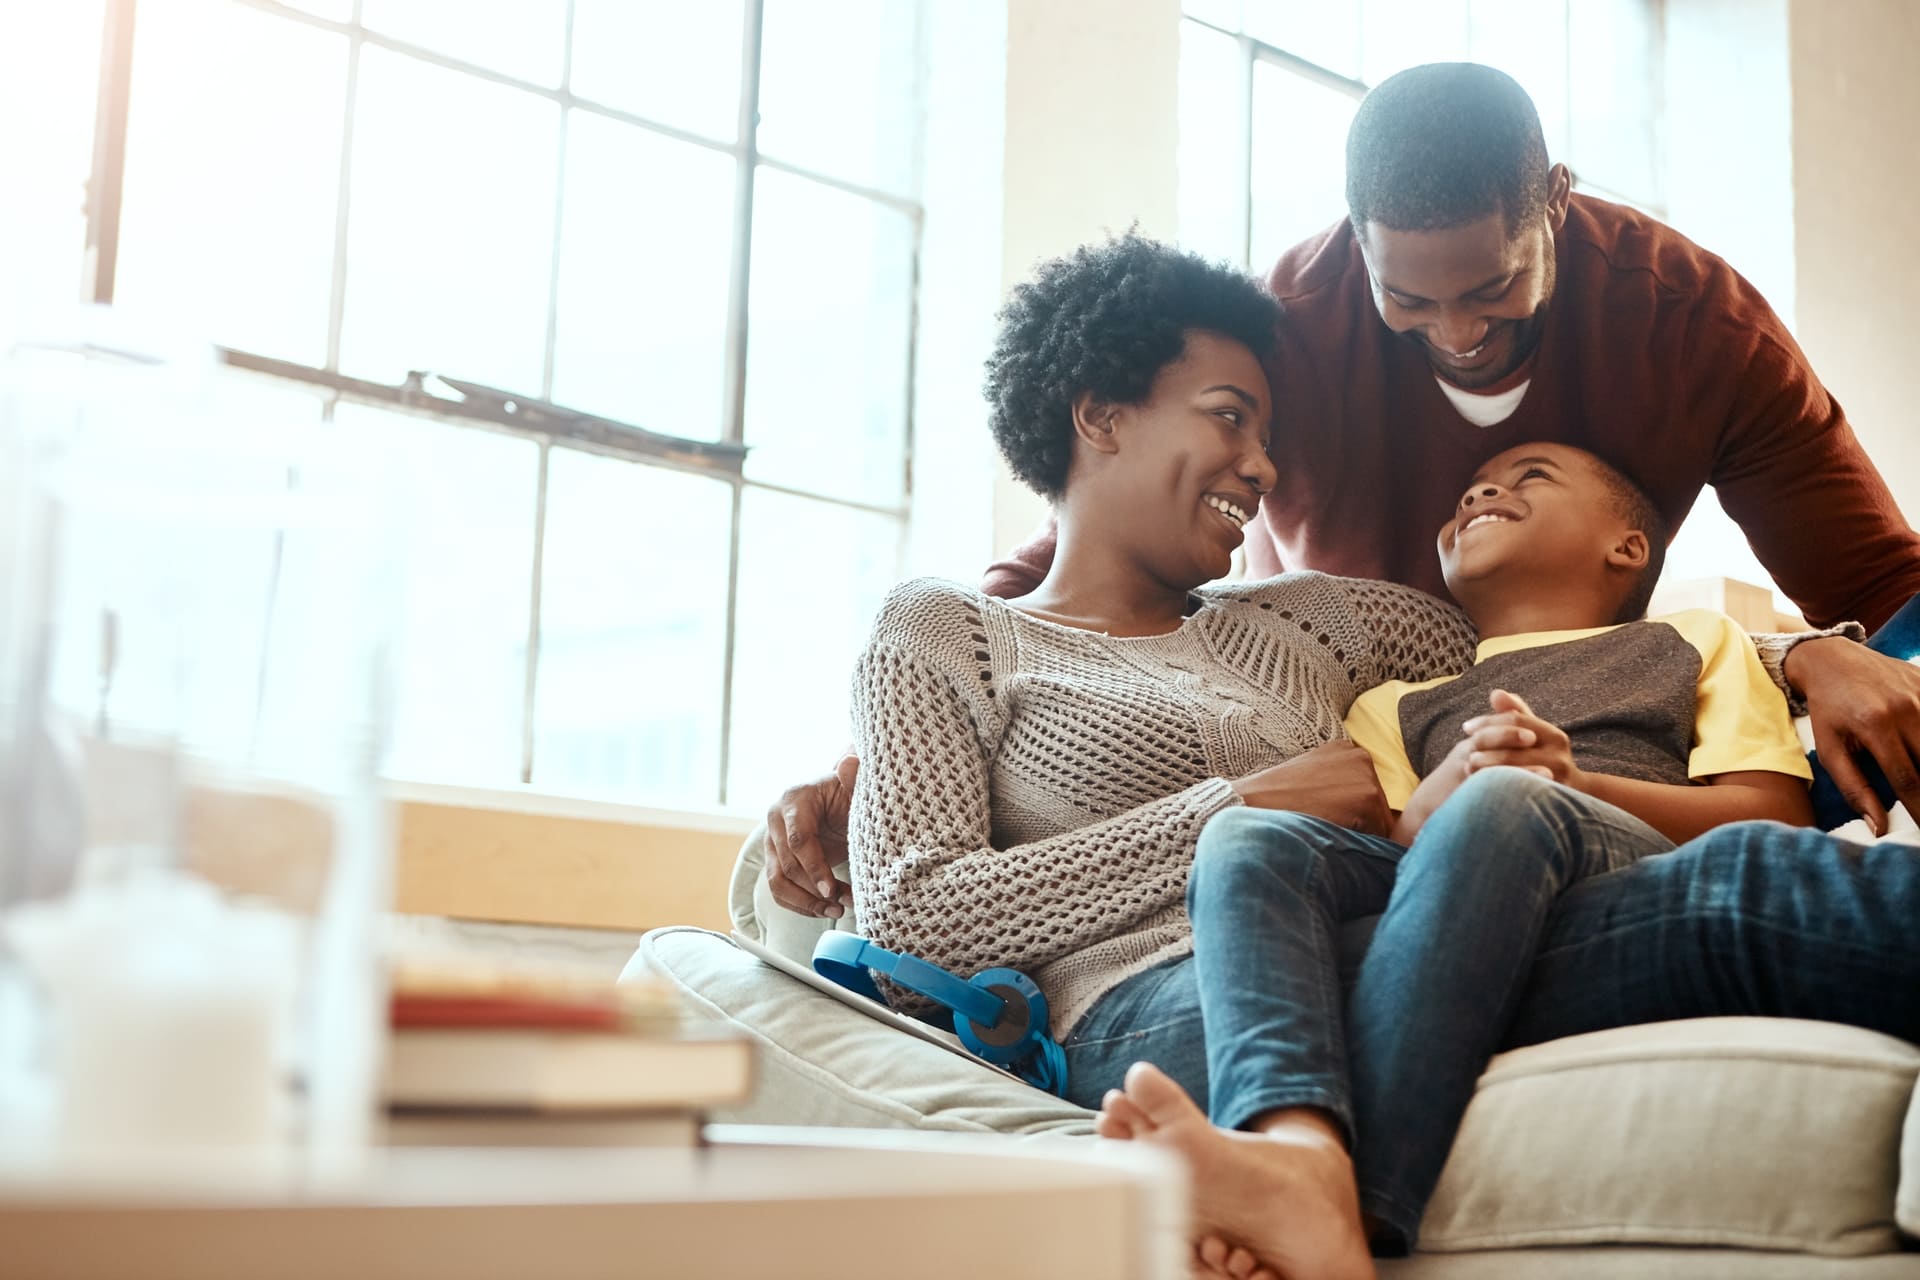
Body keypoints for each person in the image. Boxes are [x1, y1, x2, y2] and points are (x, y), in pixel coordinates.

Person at [837, 235, 1920, 1280]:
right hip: (1163, 1001)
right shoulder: (944, 631)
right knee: (1725, 907)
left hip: (1426, 927)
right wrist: (1239, 802)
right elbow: (912, 920)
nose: (1262, 468)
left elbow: (1553, 646)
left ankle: (1308, 1191)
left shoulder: (1320, 621)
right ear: (1100, 415)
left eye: (1269, 433)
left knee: (1740, 884)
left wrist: (1803, 651)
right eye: (1230, 418)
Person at [979, 61, 1920, 842]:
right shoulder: (1289, 331)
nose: (1458, 332)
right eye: (1410, 302)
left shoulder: (1694, 326)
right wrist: (919, 725)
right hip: (1359, 742)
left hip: (1615, 729)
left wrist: (1816, 655)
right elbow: (1094, 533)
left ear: (1557, 200)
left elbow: (1883, 582)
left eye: (1492, 286)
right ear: (1358, 239)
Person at [1095, 441, 1884, 1275]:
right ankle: (1294, 1148)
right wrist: (1445, 789)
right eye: (1471, 488)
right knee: (1250, 834)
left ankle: (1345, 1209)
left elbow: (1770, 816)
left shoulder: (1695, 640)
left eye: (1528, 479)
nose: (1481, 494)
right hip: (1474, 887)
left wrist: (1571, 780)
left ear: (1627, 548)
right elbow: (1396, 856)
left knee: (1508, 800)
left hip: (1626, 858)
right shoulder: (1393, 705)